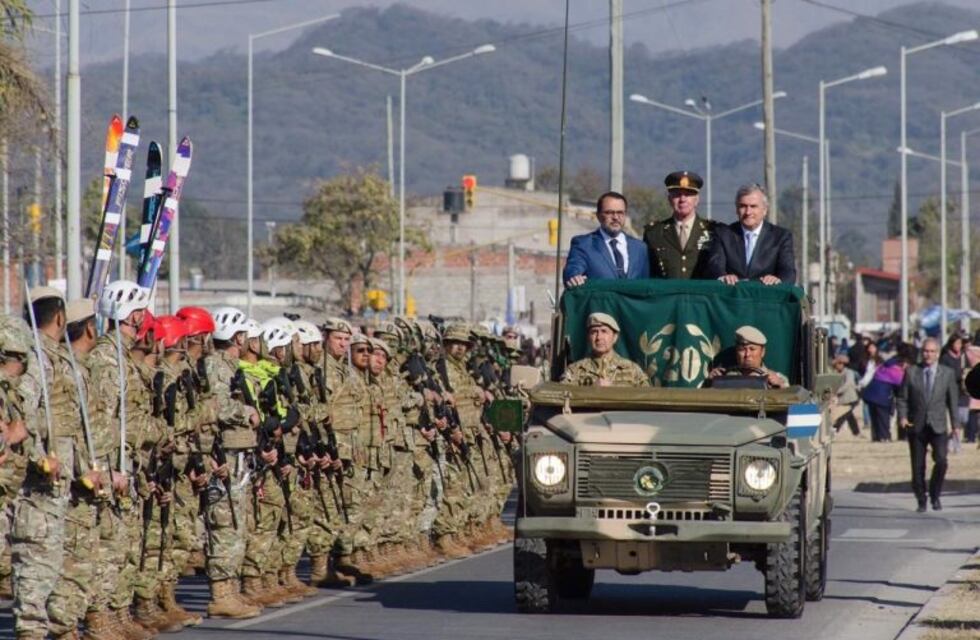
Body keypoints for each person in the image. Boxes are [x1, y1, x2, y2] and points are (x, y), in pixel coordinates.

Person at [897, 338, 960, 512]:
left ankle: (935, 494)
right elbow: (902, 398)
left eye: (932, 351)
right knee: (918, 466)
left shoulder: (947, 374)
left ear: (938, 353)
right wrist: (902, 417)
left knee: (941, 460)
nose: (928, 355)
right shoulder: (912, 372)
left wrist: (955, 424)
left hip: (938, 425)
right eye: (925, 351)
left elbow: (952, 401)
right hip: (916, 425)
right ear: (921, 352)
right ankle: (921, 499)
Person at [707, 184, 797, 285]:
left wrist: (777, 280)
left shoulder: (781, 237)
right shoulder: (723, 235)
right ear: (737, 209)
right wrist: (723, 277)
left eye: (753, 206)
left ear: (764, 210)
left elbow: (788, 272)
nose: (748, 212)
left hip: (765, 293)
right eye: (743, 206)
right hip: (732, 293)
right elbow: (715, 267)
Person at [563, 191, 650, 287]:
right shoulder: (583, 244)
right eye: (609, 212)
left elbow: (646, 284)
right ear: (598, 216)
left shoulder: (640, 248)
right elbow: (573, 269)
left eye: (620, 212)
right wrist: (573, 276)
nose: (615, 217)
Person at [643, 171, 719, 279]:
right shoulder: (654, 233)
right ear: (669, 199)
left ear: (697, 200)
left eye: (688, 194)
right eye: (677, 194)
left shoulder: (713, 230)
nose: (682, 199)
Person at [561, 313, 649, 387]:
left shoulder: (632, 371)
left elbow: (647, 397)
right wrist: (590, 391)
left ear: (615, 337)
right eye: (594, 332)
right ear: (588, 337)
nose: (599, 337)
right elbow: (561, 396)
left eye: (604, 331)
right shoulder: (574, 371)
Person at [707, 325, 789, 388]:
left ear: (762, 352)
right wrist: (710, 383)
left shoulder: (777, 379)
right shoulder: (724, 378)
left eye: (752, 349)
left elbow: (789, 401)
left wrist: (780, 386)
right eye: (742, 350)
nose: (747, 354)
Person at [832, 354, 861, 435]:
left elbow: (848, 384)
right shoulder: (836, 373)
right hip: (843, 399)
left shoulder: (849, 372)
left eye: (838, 364)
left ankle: (835, 429)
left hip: (851, 398)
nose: (837, 366)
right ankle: (856, 432)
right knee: (849, 416)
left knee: (843, 415)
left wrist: (837, 391)